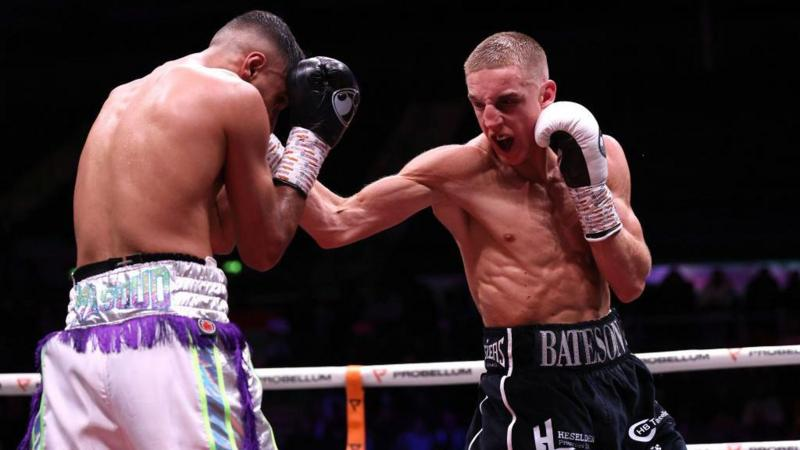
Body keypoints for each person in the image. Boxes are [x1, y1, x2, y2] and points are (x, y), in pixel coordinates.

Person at [301, 31, 686, 449]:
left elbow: (630, 283)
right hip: (533, 387)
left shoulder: (602, 154)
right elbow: (336, 223)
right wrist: (276, 145)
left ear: (546, 94)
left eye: (506, 102)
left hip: (617, 371)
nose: (489, 121)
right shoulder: (459, 173)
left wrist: (590, 195)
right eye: (477, 104)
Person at [20, 10, 359, 450]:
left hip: (79, 341)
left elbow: (220, 239)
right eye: (277, 102)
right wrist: (308, 145)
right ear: (253, 66)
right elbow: (264, 249)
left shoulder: (121, 97)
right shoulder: (236, 95)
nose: (272, 117)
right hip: (172, 335)